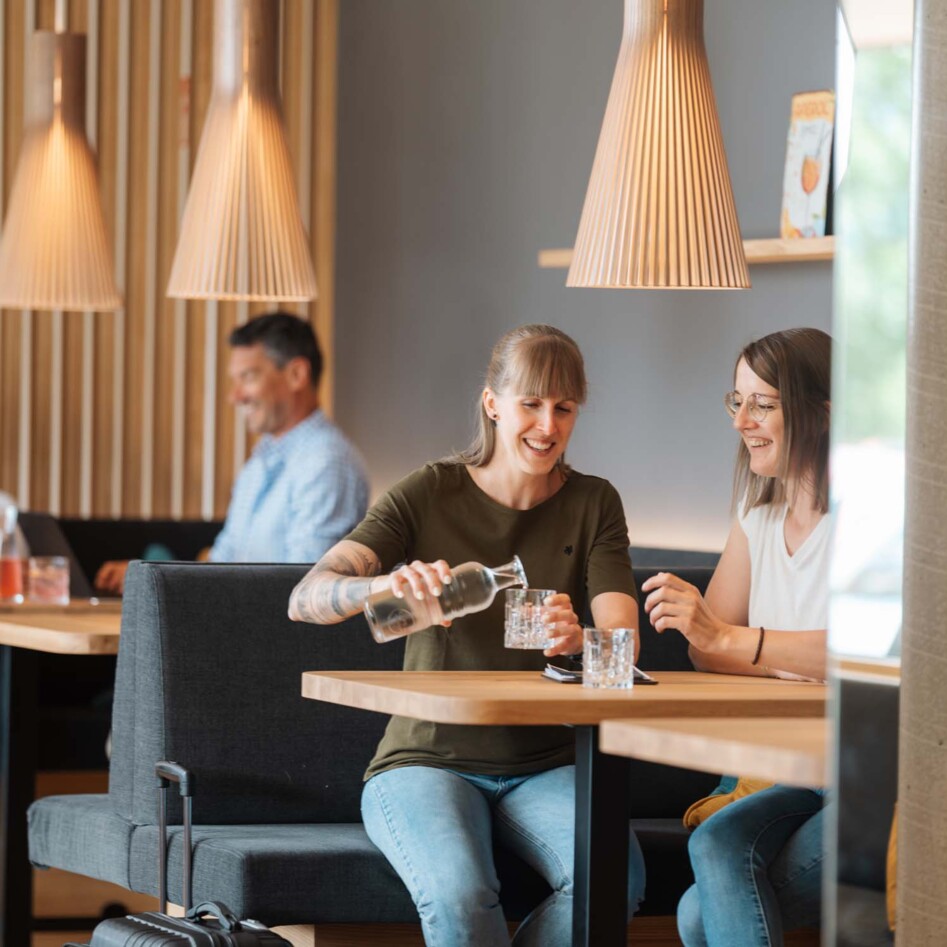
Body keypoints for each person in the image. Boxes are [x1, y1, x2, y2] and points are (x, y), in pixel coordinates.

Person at [288, 324, 646, 947]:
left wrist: (578, 641)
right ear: (492, 403)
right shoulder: (430, 492)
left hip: (548, 761)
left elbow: (622, 642)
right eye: (530, 403)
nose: (547, 424)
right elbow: (307, 599)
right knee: (459, 895)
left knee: (614, 881)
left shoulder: (595, 503)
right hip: (426, 759)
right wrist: (384, 588)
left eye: (564, 408)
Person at [641, 327, 831, 947]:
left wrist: (743, 641)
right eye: (737, 401)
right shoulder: (758, 518)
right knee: (716, 838)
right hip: (791, 769)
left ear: (822, 415)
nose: (742, 421)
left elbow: (868, 657)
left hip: (872, 774)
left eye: (764, 404)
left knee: (699, 915)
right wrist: (788, 657)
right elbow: (706, 651)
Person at [94, 313, 369, 593]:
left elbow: (305, 588)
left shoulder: (327, 462)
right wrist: (151, 582)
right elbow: (223, 563)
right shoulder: (260, 462)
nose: (235, 396)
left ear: (297, 374)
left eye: (248, 377)